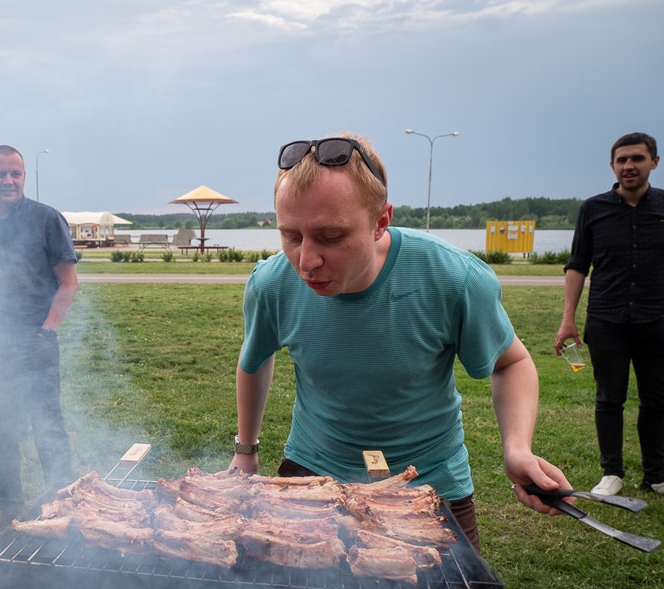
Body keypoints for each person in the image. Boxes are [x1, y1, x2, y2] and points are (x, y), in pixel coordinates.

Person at [229, 133, 571, 552]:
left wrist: (517, 447)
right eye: (291, 236)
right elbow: (254, 359)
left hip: (427, 486)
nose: (306, 261)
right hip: (311, 477)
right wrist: (246, 449)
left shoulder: (453, 279)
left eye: (330, 236)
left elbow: (510, 363)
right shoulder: (271, 284)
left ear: (380, 222)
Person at [0, 145, 79, 532]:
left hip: (35, 340)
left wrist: (46, 331)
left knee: (47, 425)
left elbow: (68, 283)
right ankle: (8, 505)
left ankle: (62, 500)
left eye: (15, 174)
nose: (8, 181)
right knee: (0, 427)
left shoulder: (46, 219)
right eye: (0, 174)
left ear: (23, 177)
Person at [555, 132, 664, 497]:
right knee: (609, 398)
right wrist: (568, 318)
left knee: (656, 400)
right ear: (612, 166)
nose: (628, 166)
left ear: (654, 162)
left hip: (657, 320)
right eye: (621, 160)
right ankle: (611, 474)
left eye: (636, 158)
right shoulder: (593, 209)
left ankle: (657, 475)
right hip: (606, 321)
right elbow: (577, 266)